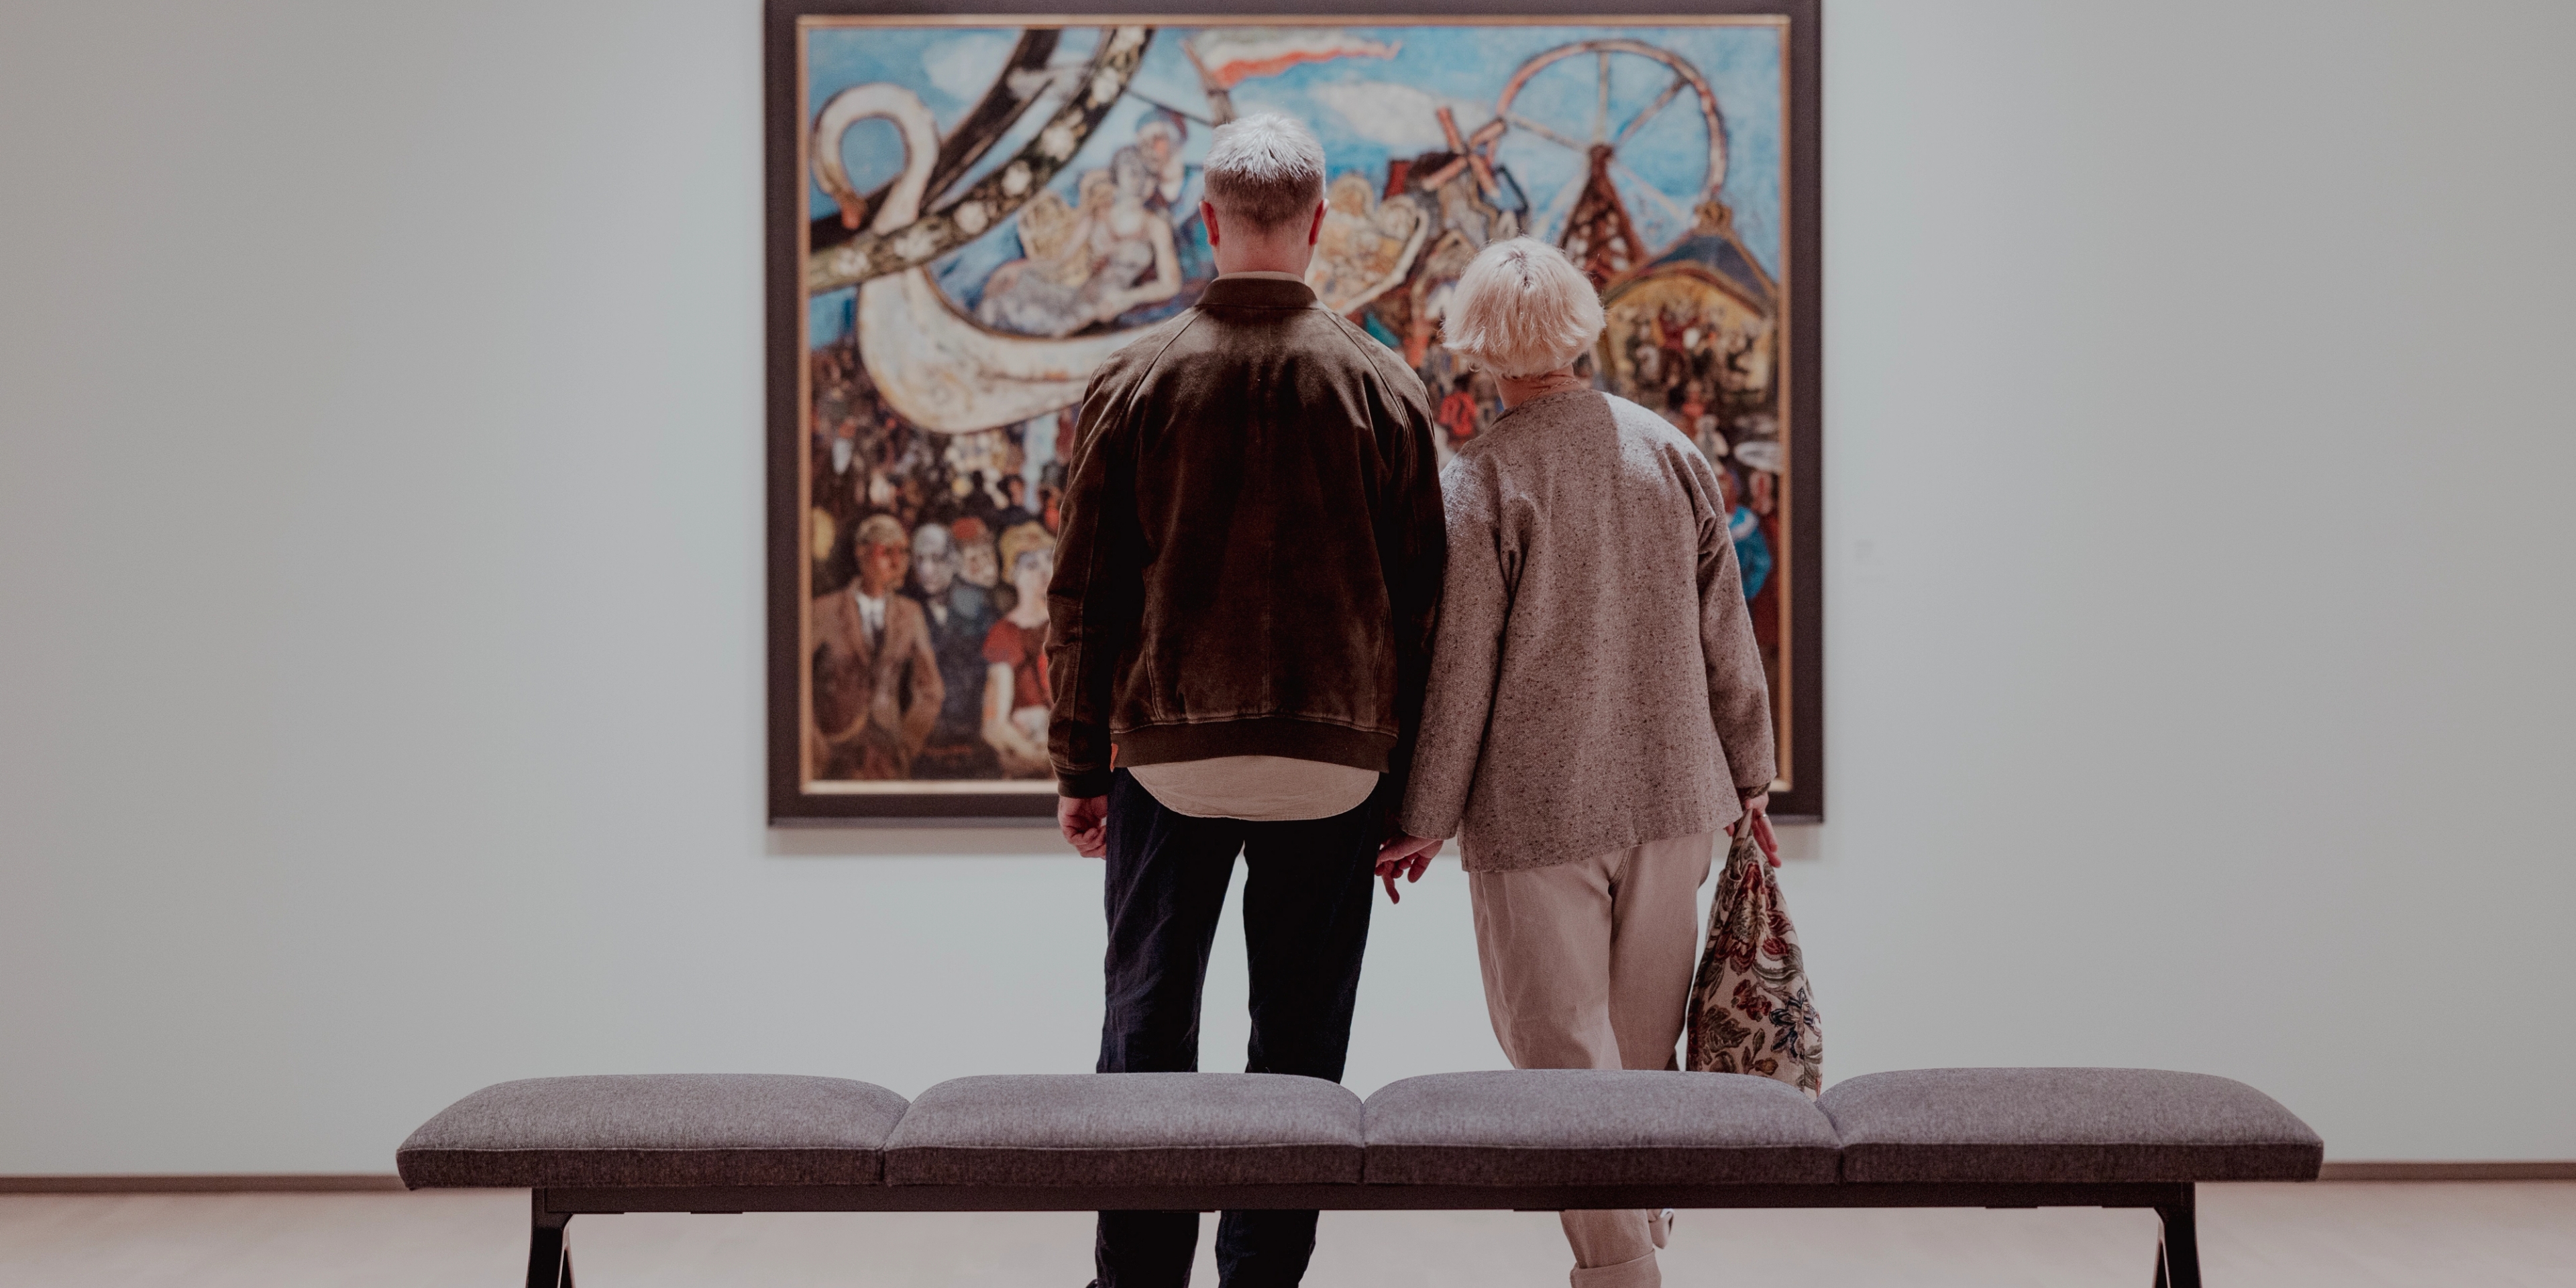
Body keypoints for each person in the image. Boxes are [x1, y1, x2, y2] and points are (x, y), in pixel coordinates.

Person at [1046, 112, 1445, 1288]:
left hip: (1169, 758)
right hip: (1334, 764)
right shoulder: (1384, 386)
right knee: (1300, 1049)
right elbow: (1428, 611)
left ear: (1206, 219)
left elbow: (1082, 599)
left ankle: (1137, 1280)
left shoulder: (1132, 381)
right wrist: (1412, 785)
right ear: (1320, 225)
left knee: (1148, 1032)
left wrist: (1080, 770)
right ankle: (1265, 1277)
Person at [1376, 239, 1776, 1288]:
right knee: (1638, 1069)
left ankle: (1622, 1276)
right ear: (1583, 324)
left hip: (1539, 807)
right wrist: (1751, 777)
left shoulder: (1486, 477)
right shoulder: (1672, 452)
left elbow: (1461, 670)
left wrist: (1425, 812)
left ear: (1477, 345)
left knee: (1561, 1065)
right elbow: (1726, 631)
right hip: (1675, 796)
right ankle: (1635, 1254)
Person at [808, 513, 944, 780]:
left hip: (889, 755)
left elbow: (931, 689)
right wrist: (815, 745)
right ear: (861, 553)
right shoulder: (823, 611)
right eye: (886, 552)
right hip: (834, 753)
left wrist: (907, 741)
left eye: (903, 552)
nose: (897, 562)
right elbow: (792, 683)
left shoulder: (910, 614)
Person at [906, 522, 1002, 780]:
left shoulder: (979, 603)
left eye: (937, 559)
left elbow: (997, 672)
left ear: (953, 559)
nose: (927, 570)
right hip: (923, 750)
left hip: (975, 746)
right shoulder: (905, 607)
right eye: (920, 559)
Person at [980, 522, 1056, 778]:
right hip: (1027, 758)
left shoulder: (1068, 625)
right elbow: (995, 725)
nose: (1044, 571)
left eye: (1048, 559)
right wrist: (1037, 755)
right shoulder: (1005, 633)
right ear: (1013, 574)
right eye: (1032, 565)